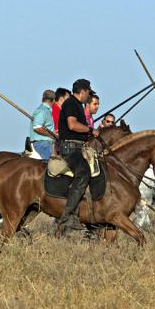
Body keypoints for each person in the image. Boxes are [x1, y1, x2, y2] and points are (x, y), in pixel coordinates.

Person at [57, 79, 97, 232]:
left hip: (78, 147)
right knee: (83, 173)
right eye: (88, 92)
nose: (89, 95)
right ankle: (68, 215)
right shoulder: (71, 104)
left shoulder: (77, 105)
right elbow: (72, 125)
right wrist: (90, 130)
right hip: (71, 149)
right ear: (83, 91)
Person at [29, 90, 56, 160]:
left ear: (42, 99)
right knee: (54, 165)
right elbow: (37, 128)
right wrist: (52, 135)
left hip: (44, 143)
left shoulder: (45, 111)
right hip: (42, 144)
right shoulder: (42, 111)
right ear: (53, 100)